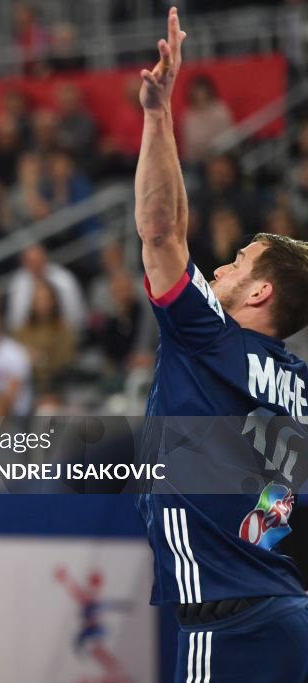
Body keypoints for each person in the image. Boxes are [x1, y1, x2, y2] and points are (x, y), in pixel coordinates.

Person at [135, 9, 308, 682]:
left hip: (227, 621)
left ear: (262, 294)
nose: (222, 268)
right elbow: (280, 502)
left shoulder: (211, 334)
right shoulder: (298, 386)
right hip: (284, 612)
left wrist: (157, 113)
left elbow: (160, 231)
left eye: (239, 261)